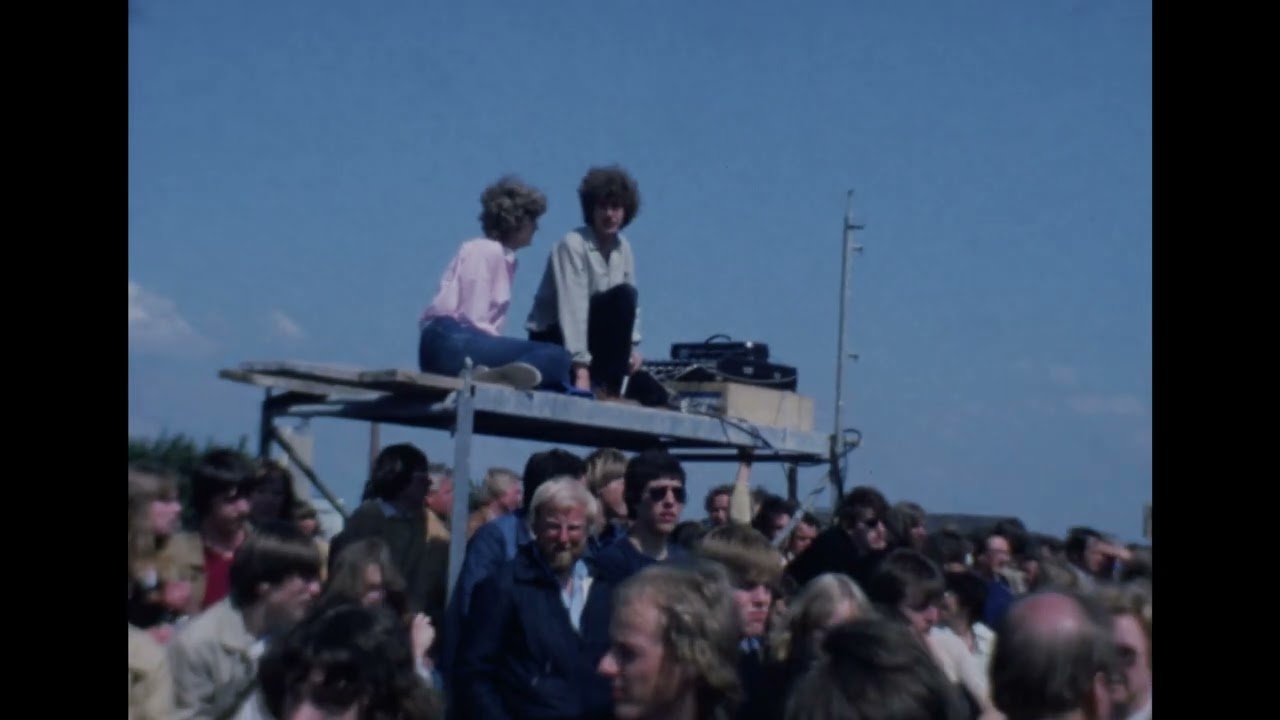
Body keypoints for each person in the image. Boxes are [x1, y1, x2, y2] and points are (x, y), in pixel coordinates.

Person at [418, 176, 575, 391]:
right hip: (449, 340)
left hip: (452, 345)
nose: (537, 227)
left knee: (554, 375)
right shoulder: (486, 250)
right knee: (557, 356)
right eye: (532, 219)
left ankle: (494, 376)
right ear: (517, 221)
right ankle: (498, 376)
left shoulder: (502, 258)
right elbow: (472, 317)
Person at [527, 165, 663, 402]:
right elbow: (573, 307)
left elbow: (630, 308)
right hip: (556, 341)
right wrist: (581, 369)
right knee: (622, 296)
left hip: (593, 342)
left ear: (625, 211)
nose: (609, 215)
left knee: (654, 394)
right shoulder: (572, 244)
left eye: (616, 208)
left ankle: (613, 386)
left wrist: (630, 349)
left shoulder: (624, 248)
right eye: (603, 207)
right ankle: (607, 388)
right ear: (591, 209)